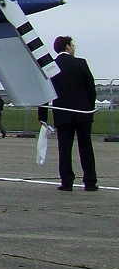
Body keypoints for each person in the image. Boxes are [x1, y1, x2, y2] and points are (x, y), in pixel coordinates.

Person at [39, 36, 97, 191]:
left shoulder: (51, 66)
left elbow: (44, 93)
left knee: (64, 148)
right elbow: (91, 89)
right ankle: (90, 181)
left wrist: (42, 116)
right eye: (72, 45)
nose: (74, 48)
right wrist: (90, 109)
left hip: (62, 113)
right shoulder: (81, 63)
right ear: (67, 47)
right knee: (85, 147)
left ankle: (67, 181)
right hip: (82, 112)